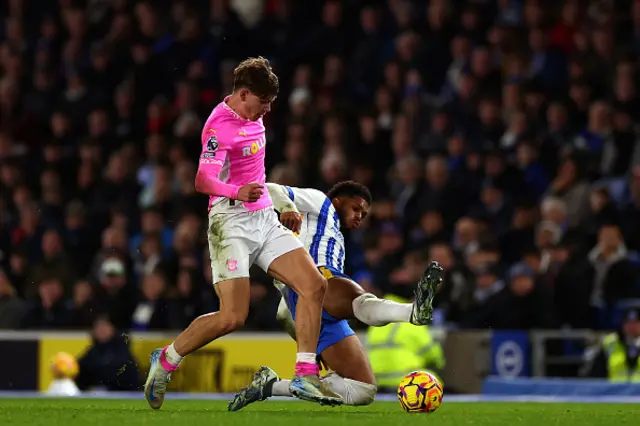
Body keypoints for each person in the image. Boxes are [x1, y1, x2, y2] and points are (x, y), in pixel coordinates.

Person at [144, 57, 341, 409]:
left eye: (270, 104)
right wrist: (236, 192)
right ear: (244, 93)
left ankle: (305, 373)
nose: (266, 110)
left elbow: (256, 174)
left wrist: (284, 205)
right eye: (263, 102)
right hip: (229, 222)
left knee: (314, 285)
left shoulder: (256, 117)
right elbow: (202, 180)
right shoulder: (218, 128)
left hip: (263, 216)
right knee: (233, 317)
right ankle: (167, 358)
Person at [228, 181, 443, 410]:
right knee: (358, 300)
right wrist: (288, 207)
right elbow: (269, 188)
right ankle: (412, 312)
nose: (360, 216)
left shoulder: (335, 234)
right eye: (356, 208)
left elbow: (283, 313)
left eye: (364, 213)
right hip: (316, 281)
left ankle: (270, 386)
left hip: (318, 309)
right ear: (339, 201)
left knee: (363, 390)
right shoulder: (321, 202)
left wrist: (311, 345)